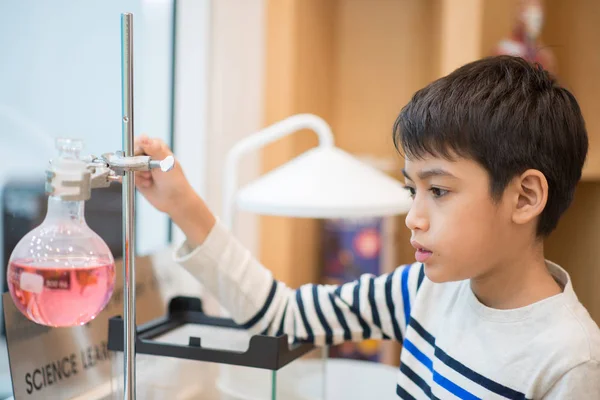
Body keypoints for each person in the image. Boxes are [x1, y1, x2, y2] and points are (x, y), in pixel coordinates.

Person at [134, 55, 600, 399]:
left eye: (438, 191)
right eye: (411, 190)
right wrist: (183, 206)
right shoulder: (422, 289)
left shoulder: (570, 362)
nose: (413, 217)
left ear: (525, 198)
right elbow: (286, 316)